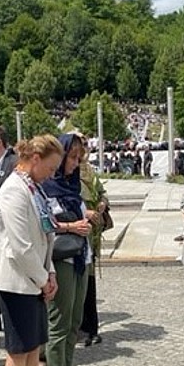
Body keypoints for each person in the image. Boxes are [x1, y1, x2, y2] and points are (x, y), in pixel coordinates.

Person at [0, 134, 60, 366]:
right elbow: (20, 247)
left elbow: (46, 234)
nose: (53, 174)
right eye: (51, 167)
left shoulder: (34, 187)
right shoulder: (13, 191)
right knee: (18, 352)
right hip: (17, 282)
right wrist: (43, 279)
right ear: (34, 159)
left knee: (32, 349)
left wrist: (50, 273)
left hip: (35, 278)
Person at [43, 134, 94, 366]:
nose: (75, 164)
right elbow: (45, 223)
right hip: (62, 259)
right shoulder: (47, 187)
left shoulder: (73, 187)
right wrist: (72, 227)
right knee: (60, 323)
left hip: (80, 258)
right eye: (72, 158)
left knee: (75, 321)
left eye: (78, 158)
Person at [79, 148, 109, 347]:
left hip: (91, 234)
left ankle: (91, 327)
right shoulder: (60, 174)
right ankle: (80, 327)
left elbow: (103, 193)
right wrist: (85, 211)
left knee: (89, 283)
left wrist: (102, 204)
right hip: (75, 232)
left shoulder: (90, 171)